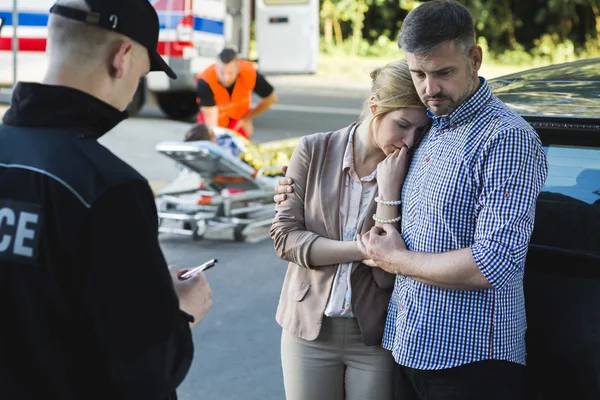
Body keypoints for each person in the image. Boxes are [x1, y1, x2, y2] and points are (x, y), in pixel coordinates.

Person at [275, 2, 549, 399]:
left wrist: (394, 259)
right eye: (419, 74)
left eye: (443, 73)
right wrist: (291, 185)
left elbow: (495, 262)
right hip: (406, 349)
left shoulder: (504, 139)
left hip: (469, 362)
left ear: (475, 59)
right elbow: (374, 138)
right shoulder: (432, 126)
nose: (429, 89)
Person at [0, 1, 212, 399]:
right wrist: (180, 313)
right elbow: (145, 368)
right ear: (123, 56)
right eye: (143, 72)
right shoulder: (110, 188)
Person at [269, 59, 431, 400]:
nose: (409, 141)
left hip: (373, 337)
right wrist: (365, 250)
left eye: (420, 131)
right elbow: (285, 239)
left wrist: (388, 193)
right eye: (402, 125)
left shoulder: (414, 169)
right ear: (375, 106)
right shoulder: (313, 149)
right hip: (307, 331)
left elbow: (389, 275)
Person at [195, 47, 278, 139]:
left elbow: (271, 98)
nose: (226, 78)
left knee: (241, 141)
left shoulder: (249, 73)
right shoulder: (205, 81)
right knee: (206, 136)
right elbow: (211, 122)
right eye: (222, 72)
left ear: (238, 68)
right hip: (213, 118)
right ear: (216, 67)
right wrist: (212, 140)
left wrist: (248, 118)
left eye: (230, 73)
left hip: (238, 118)